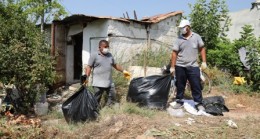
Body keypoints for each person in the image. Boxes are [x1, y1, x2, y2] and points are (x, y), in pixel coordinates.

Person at [170, 19, 207, 111]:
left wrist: (204, 61)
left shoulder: (197, 37)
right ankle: (179, 101)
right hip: (180, 66)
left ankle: (198, 103)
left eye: (183, 27)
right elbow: (174, 53)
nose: (182, 29)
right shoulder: (178, 39)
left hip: (193, 66)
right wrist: (172, 67)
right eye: (181, 28)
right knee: (180, 85)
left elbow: (202, 48)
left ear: (188, 27)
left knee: (196, 85)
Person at [84, 40, 131, 106]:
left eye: (108, 47)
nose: (107, 48)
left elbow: (115, 65)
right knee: (96, 98)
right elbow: (89, 67)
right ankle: (94, 111)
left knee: (112, 96)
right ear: (100, 47)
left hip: (109, 82)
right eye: (105, 47)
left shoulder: (110, 55)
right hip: (98, 83)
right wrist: (86, 78)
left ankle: (109, 108)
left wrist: (124, 71)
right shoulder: (94, 55)